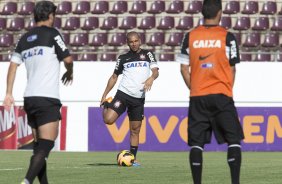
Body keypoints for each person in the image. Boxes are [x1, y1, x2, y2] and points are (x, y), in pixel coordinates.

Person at [3, 1, 73, 184]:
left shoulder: (25, 38)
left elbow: (13, 65)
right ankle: (26, 181)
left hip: (30, 98)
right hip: (47, 98)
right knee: (47, 145)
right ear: (50, 15)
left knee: (38, 148)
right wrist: (69, 71)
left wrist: (8, 93)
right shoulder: (52, 34)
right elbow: (68, 58)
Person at [177, 0, 244, 183]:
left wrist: (196, 87)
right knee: (234, 140)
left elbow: (183, 68)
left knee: (197, 144)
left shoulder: (189, 37)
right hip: (222, 95)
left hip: (198, 97)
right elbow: (232, 68)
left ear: (202, 13)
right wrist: (227, 89)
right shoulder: (227, 37)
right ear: (220, 13)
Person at [100, 31, 159, 166]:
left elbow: (156, 71)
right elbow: (114, 77)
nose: (134, 44)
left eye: (136, 41)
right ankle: (107, 104)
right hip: (123, 94)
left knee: (135, 130)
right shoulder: (123, 58)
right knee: (108, 120)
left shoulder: (148, 54)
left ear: (140, 40)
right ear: (127, 43)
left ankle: (133, 158)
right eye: (131, 41)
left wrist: (151, 78)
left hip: (138, 99)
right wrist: (104, 95)